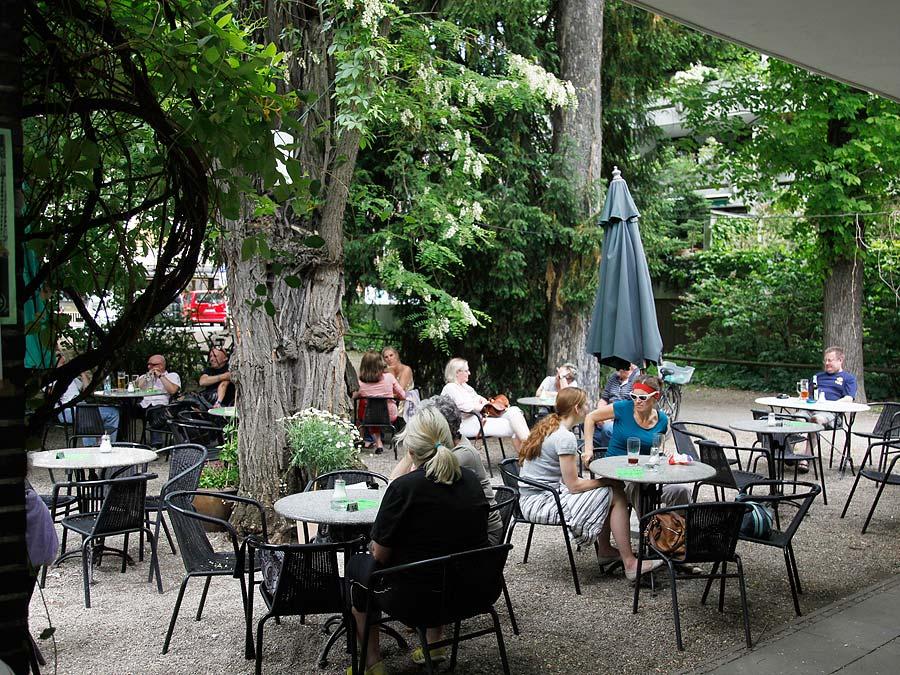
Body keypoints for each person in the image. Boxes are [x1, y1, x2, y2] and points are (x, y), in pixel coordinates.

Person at [347, 407, 489, 673]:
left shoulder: (404, 488)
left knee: (358, 567)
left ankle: (372, 665)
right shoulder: (470, 481)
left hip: (414, 599)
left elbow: (379, 555)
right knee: (438, 557)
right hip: (472, 590)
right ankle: (434, 647)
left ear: (410, 450)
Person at [518, 387, 661, 581]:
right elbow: (574, 486)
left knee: (611, 490)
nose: (588, 408)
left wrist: (604, 483)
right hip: (541, 502)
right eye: (585, 404)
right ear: (577, 408)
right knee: (616, 494)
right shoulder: (565, 437)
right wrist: (604, 481)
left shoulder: (550, 426)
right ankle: (630, 563)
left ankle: (606, 551)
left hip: (534, 496)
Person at [391, 395, 504, 545]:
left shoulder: (461, 455)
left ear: (438, 427)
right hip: (457, 528)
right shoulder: (443, 449)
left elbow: (410, 486)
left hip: (481, 537)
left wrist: (417, 449)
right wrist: (414, 448)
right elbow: (394, 484)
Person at [583, 375, 689, 512]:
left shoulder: (662, 420)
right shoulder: (623, 408)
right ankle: (648, 529)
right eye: (634, 396)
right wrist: (588, 449)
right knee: (638, 486)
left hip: (646, 475)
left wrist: (664, 454)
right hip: (617, 474)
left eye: (643, 398)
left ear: (655, 396)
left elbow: (656, 449)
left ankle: (675, 531)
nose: (637, 401)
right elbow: (590, 417)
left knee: (681, 491)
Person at [440, 357, 530, 451]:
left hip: (479, 419)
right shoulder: (450, 388)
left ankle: (529, 448)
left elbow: (479, 399)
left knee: (514, 410)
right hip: (465, 424)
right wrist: (482, 405)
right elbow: (467, 407)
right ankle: (529, 452)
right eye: (466, 371)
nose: (469, 373)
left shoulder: (464, 386)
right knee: (515, 426)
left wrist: (482, 403)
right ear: (457, 372)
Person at [796, 346, 858, 471]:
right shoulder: (818, 376)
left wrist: (830, 404)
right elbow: (807, 394)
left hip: (831, 413)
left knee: (815, 420)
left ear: (840, 360)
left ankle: (804, 458)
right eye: (826, 361)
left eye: (830, 360)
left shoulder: (848, 378)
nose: (827, 363)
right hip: (810, 408)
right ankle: (790, 453)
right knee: (797, 419)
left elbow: (849, 399)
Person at [52, 352, 120, 445]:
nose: (62, 357)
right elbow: (51, 395)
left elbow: (87, 388)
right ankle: (90, 448)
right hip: (66, 410)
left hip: (81, 406)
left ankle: (107, 444)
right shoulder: (51, 378)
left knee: (113, 413)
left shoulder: (70, 376)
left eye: (62, 355)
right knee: (88, 415)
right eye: (58, 356)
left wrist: (82, 372)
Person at [353, 350, 406, 454]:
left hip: (368, 417)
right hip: (389, 415)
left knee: (366, 408)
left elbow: (354, 397)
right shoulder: (389, 378)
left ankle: (361, 438)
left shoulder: (361, 382)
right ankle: (378, 444)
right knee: (374, 410)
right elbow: (403, 395)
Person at [593, 363, 640, 450]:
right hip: (607, 413)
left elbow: (631, 405)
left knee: (608, 429)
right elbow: (604, 399)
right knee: (587, 423)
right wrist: (600, 414)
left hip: (623, 416)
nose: (618, 370)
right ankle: (601, 451)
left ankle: (609, 455)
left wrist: (609, 417)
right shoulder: (614, 377)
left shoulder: (637, 378)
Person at [137, 354, 182, 444]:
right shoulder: (145, 376)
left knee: (155, 411)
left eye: (153, 365)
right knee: (124, 408)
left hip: (162, 406)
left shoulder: (172, 376)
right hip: (143, 405)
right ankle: (124, 440)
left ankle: (156, 444)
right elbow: (136, 388)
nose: (149, 367)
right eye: (148, 364)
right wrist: (148, 376)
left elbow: (172, 390)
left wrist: (161, 376)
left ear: (161, 365)